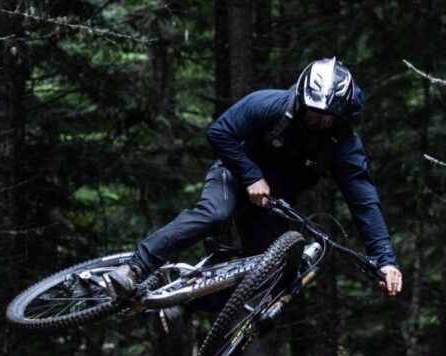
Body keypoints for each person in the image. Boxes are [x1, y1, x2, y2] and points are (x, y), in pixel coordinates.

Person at [103, 57, 404, 298]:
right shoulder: (270, 105)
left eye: (329, 115)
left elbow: (364, 203)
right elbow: (219, 132)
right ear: (302, 98)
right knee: (214, 214)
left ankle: (182, 305)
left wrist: (386, 261)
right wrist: (250, 176)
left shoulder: (345, 145)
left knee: (271, 278)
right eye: (314, 112)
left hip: (272, 203)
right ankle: (135, 267)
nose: (320, 120)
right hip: (233, 174)